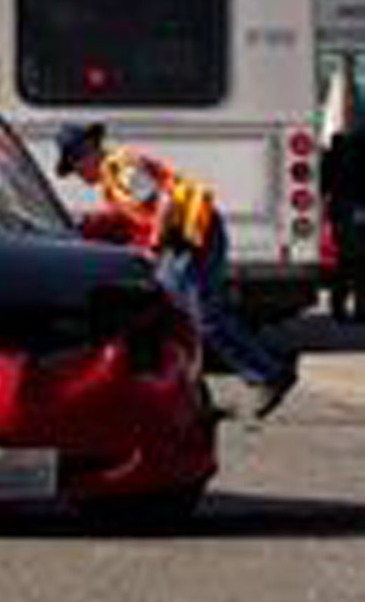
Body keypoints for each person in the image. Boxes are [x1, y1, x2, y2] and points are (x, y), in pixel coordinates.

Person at [56, 121, 298, 419]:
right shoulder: (111, 181)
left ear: (87, 154)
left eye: (76, 166)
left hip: (192, 235)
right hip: (184, 238)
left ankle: (269, 373)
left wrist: (155, 247)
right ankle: (200, 398)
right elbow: (133, 216)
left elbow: (166, 204)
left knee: (202, 317)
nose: (79, 176)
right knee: (179, 318)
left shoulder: (122, 169)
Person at [321, 129, 365, 322]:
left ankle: (338, 307)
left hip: (343, 210)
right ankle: (360, 309)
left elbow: (324, 183)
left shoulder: (336, 152)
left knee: (345, 261)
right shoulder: (358, 148)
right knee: (361, 263)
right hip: (356, 207)